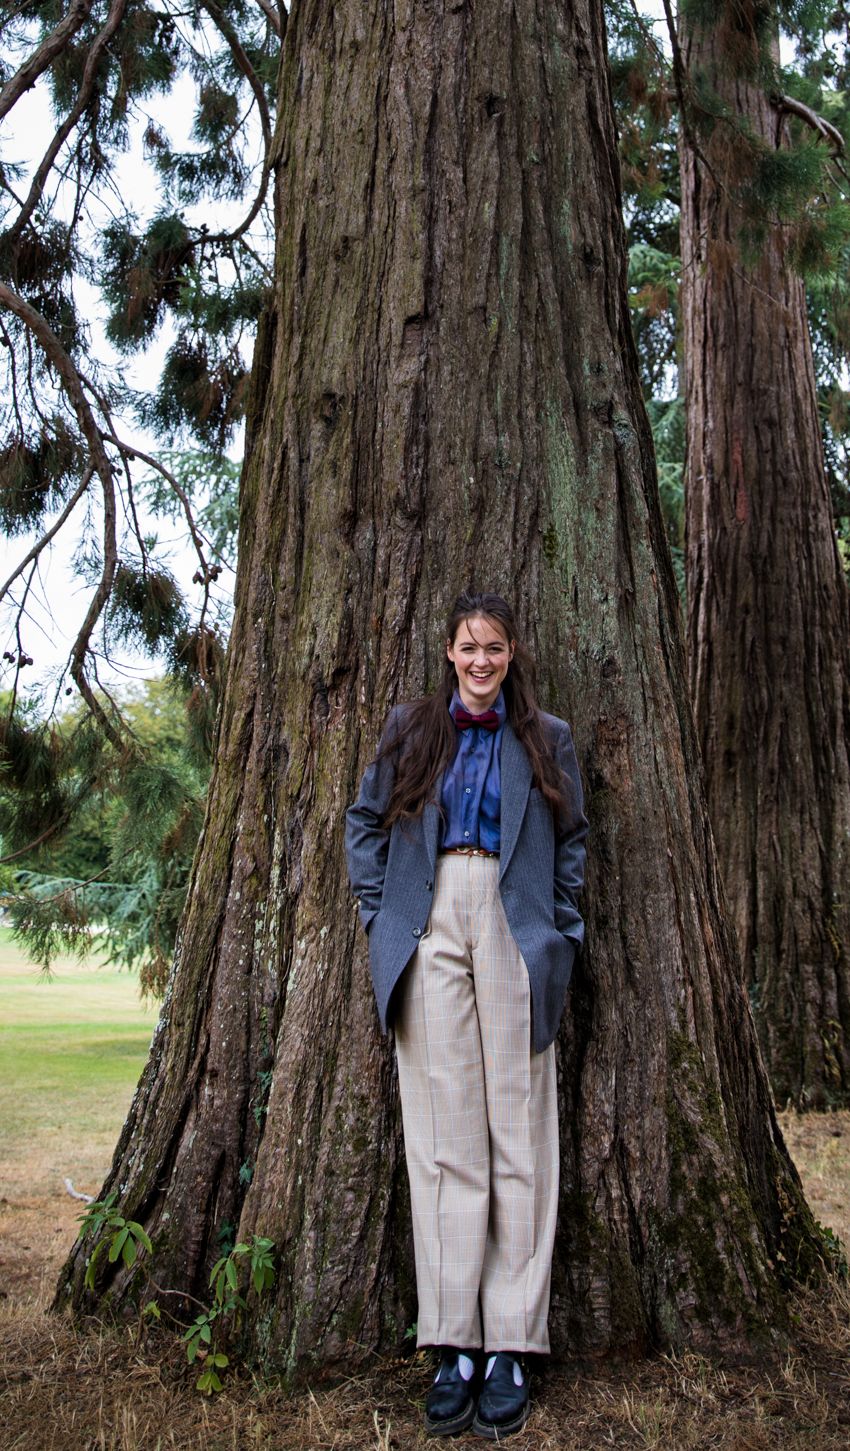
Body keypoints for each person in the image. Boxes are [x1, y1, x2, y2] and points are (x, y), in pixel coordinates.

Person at [345, 591, 587, 1441]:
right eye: (467, 647)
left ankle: (512, 1346)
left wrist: (561, 930)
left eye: (493, 647)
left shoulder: (544, 738)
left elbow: (575, 843)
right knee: (446, 1137)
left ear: (512, 654)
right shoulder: (414, 729)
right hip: (429, 919)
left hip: (517, 928)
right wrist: (381, 912)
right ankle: (452, 1344)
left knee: (520, 1134)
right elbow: (365, 821)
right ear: (449, 654)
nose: (480, 660)